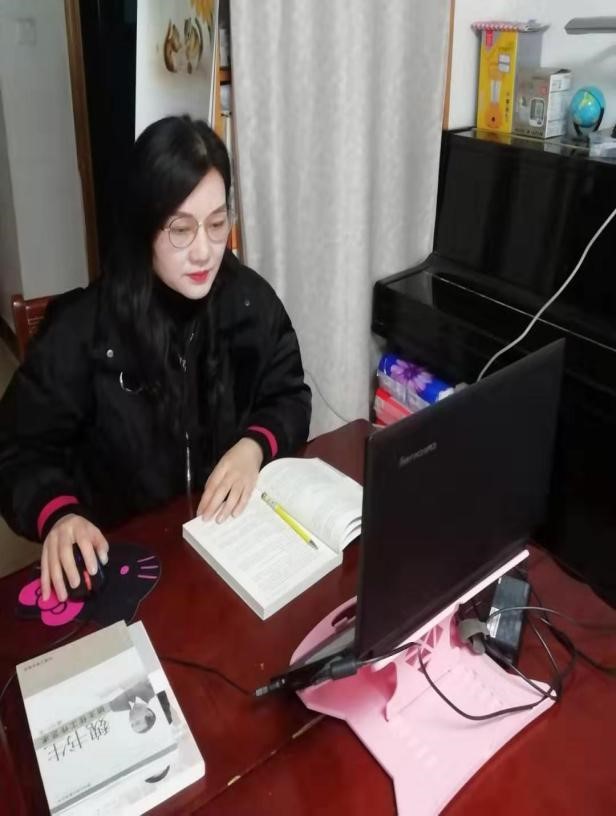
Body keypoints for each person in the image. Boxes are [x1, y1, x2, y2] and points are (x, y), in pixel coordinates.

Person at [0, 115, 311, 604]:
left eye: (217, 224)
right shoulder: (85, 330)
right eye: (181, 230)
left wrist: (254, 446)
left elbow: (289, 395)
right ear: (143, 226)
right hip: (128, 562)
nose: (205, 252)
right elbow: (16, 450)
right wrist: (59, 514)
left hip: (230, 549)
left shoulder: (248, 301)